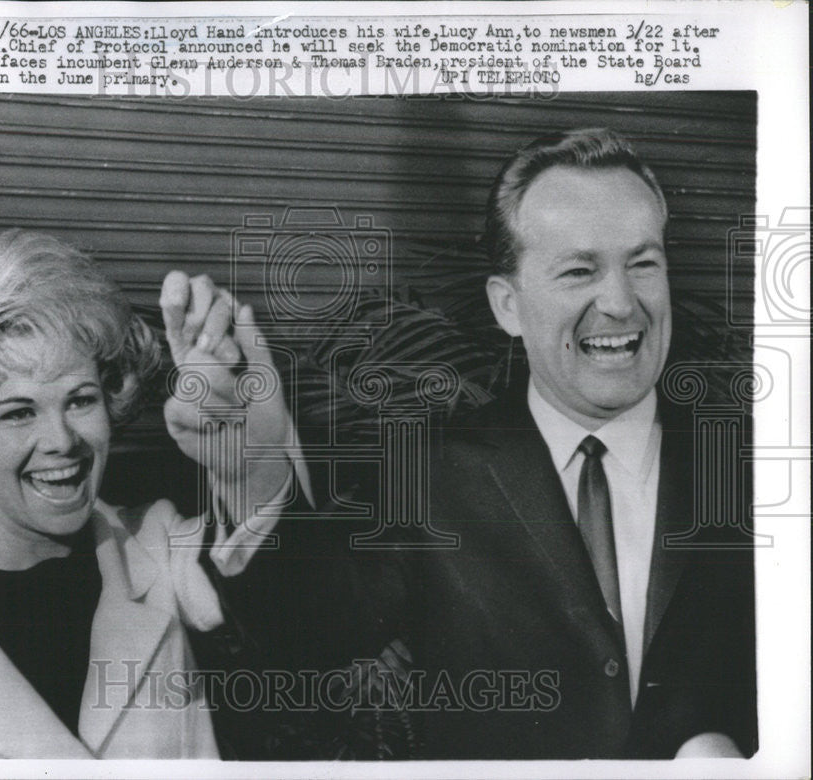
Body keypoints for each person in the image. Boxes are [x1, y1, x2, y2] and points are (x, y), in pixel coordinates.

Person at [165, 128, 757, 759]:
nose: (619, 303)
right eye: (579, 270)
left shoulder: (748, 461)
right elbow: (307, 635)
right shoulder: (432, 471)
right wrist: (252, 474)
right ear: (507, 306)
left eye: (642, 263)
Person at [0, 229, 294, 758]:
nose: (62, 441)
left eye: (80, 400)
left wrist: (251, 466)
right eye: (19, 412)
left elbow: (310, 620)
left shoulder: (159, 546)